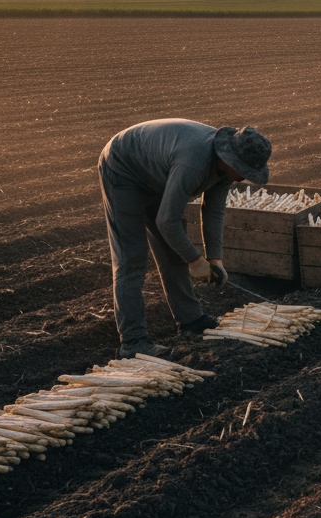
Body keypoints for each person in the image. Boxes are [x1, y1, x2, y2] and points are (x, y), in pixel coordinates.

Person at [98, 119, 272, 358]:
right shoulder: (194, 164)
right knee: (131, 259)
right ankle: (133, 342)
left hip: (156, 173)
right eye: (244, 171)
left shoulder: (226, 170)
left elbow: (213, 211)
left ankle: (190, 321)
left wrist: (215, 259)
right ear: (229, 158)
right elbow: (166, 222)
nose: (245, 177)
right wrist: (195, 261)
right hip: (122, 167)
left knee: (173, 252)